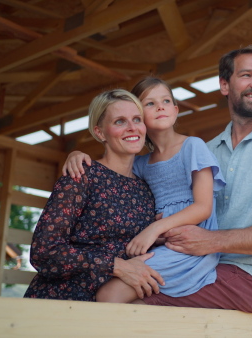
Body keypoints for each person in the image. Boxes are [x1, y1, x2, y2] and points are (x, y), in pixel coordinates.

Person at [64, 45, 252, 313]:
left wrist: (211, 240)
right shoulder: (209, 149)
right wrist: (79, 155)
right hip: (195, 260)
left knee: (127, 304)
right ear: (224, 85)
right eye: (246, 75)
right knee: (106, 289)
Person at [24, 89, 164, 301]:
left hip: (112, 308)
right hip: (62, 302)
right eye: (120, 121)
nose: (132, 127)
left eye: (137, 119)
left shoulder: (146, 190)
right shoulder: (81, 175)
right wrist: (115, 266)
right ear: (99, 132)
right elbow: (44, 252)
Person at [95, 77, 225, 302]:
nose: (160, 107)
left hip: (189, 246)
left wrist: (154, 228)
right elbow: (108, 168)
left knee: (109, 294)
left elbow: (203, 207)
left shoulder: (193, 146)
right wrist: (76, 155)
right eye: (150, 104)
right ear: (138, 117)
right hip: (160, 242)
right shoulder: (140, 164)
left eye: (165, 101)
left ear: (175, 110)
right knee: (101, 279)